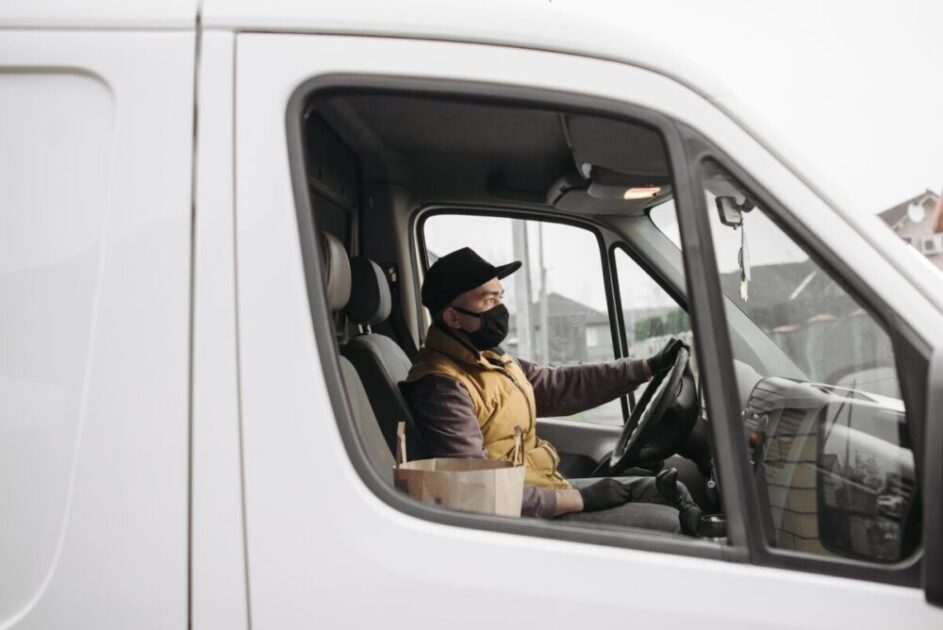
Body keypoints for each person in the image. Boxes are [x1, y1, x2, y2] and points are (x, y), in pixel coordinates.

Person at [400, 247, 702, 534]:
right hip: (516, 517)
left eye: (500, 297)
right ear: (453, 317)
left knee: (665, 491)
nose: (501, 310)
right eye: (489, 301)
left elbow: (557, 384)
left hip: (538, 489)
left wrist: (645, 367)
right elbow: (479, 490)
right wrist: (579, 499)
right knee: (670, 521)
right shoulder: (442, 387)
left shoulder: (490, 358)